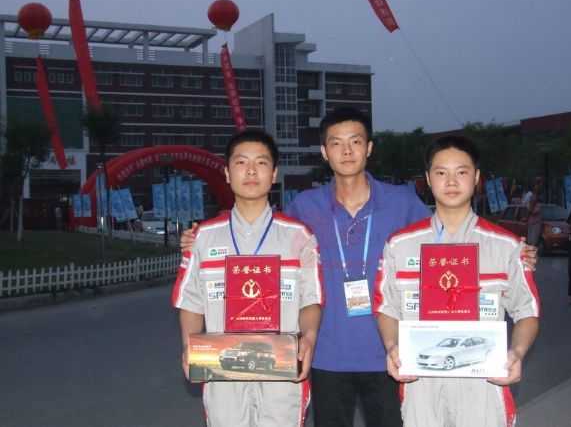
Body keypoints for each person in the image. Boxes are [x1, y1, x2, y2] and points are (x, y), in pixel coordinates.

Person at [179, 109, 538, 427]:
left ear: (369, 148)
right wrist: (198, 240)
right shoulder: (304, 208)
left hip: (391, 356)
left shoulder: (402, 202)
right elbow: (261, 235)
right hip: (327, 355)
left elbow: (449, 235)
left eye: (355, 142)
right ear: (324, 152)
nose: (347, 151)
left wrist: (515, 254)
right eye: (336, 143)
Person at [375, 135, 540, 427]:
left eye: (461, 172)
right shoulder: (400, 245)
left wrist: (517, 352)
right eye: (441, 172)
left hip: (484, 384)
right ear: (428, 179)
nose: (451, 181)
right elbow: (387, 307)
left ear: (476, 178)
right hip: (421, 383)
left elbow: (527, 311)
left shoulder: (506, 246)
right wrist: (391, 347)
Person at [172, 129, 323, 427]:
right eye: (241, 162)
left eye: (261, 163)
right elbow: (191, 302)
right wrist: (189, 345)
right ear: (227, 173)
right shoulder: (203, 238)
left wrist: (309, 338)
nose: (251, 171)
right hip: (223, 367)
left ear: (274, 174)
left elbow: (311, 300)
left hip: (281, 368)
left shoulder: (299, 237)